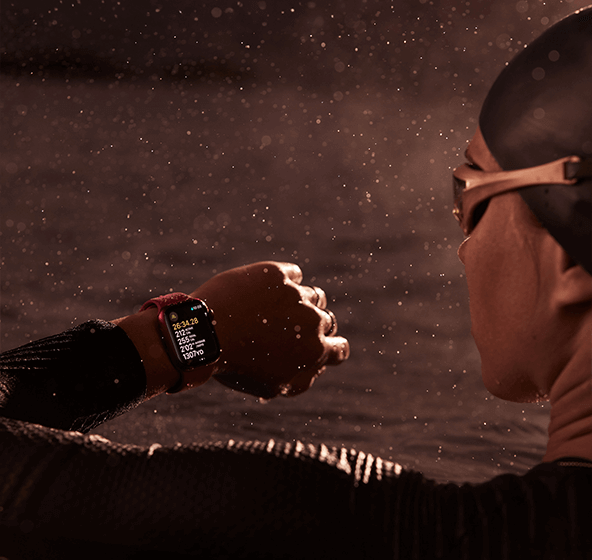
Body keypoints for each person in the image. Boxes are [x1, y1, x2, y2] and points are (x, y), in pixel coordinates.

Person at [1, 7, 591, 560]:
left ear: (570, 262)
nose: (463, 243)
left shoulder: (365, 526)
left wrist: (182, 336)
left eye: (471, 193)